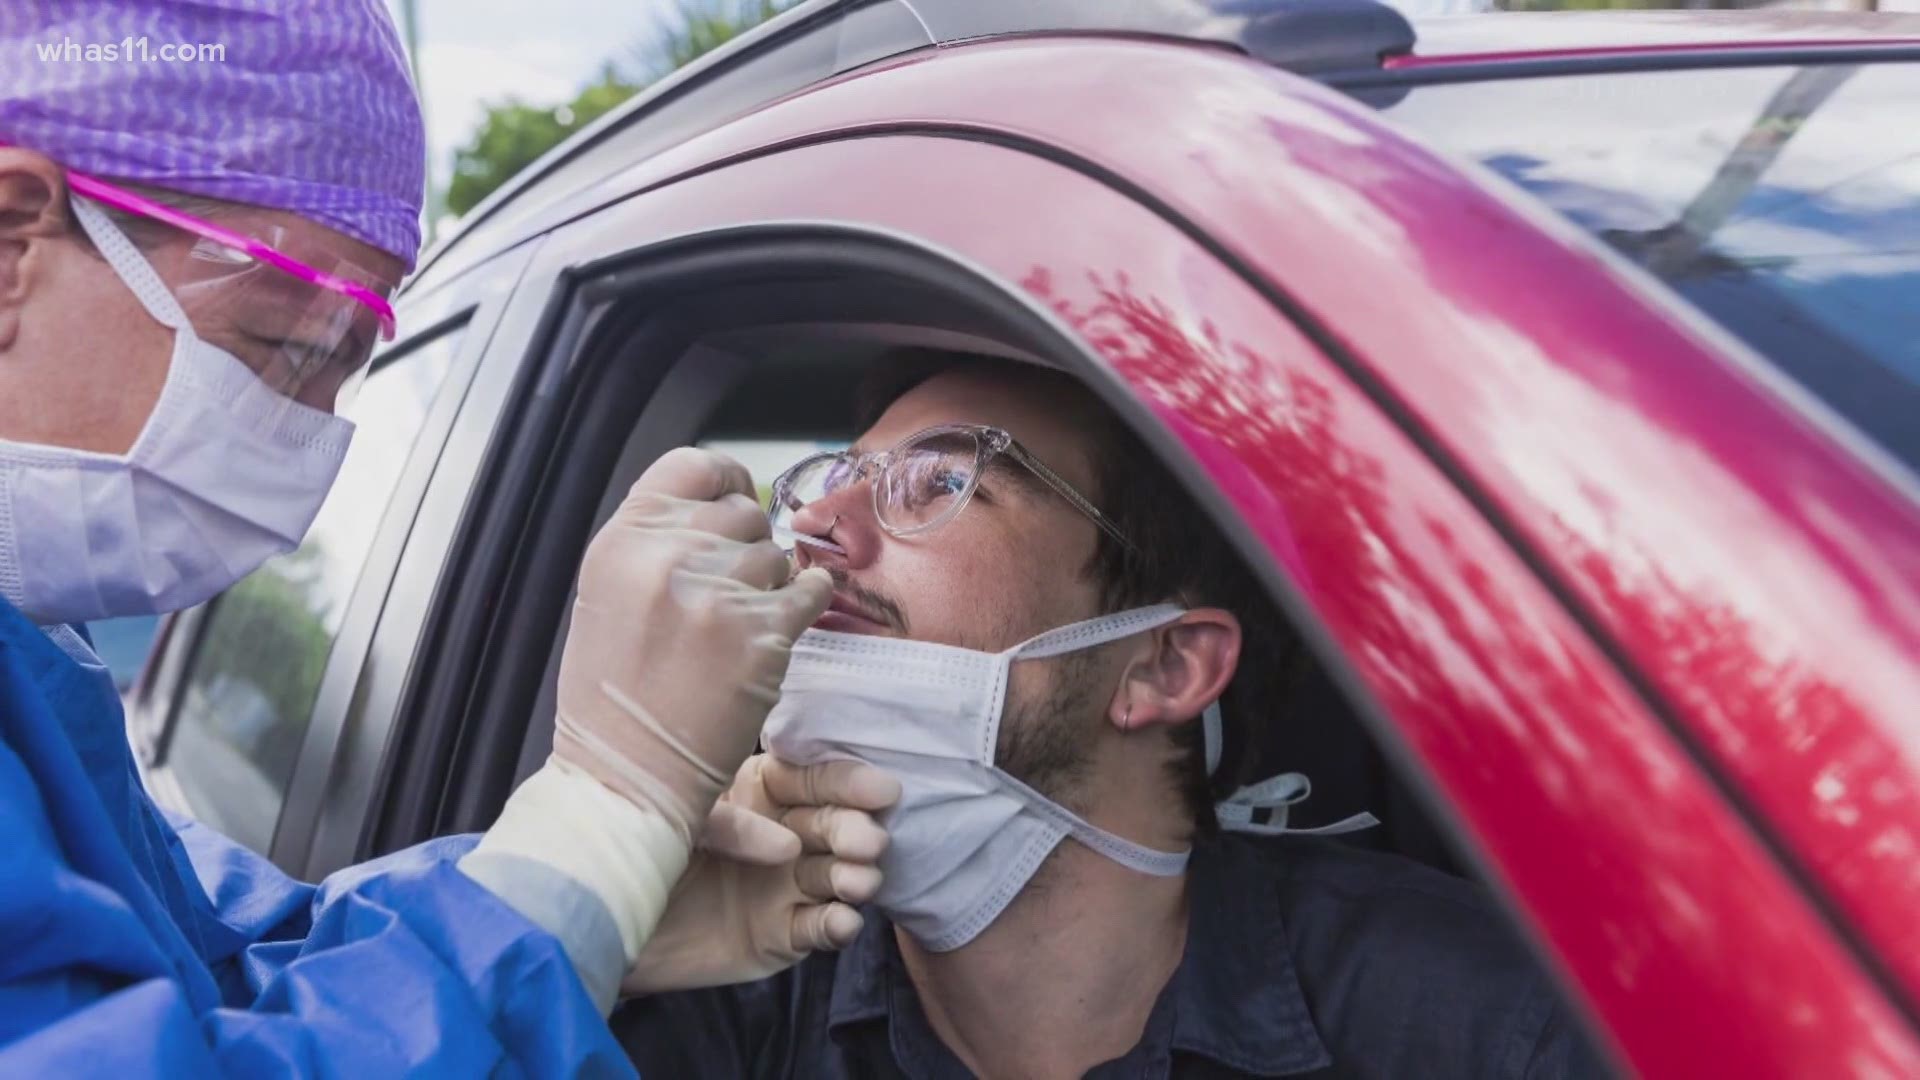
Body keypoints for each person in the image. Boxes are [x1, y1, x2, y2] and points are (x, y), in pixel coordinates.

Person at [0, 2, 896, 1074]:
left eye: (348, 362)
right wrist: (604, 821)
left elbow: (208, 954)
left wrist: (580, 897)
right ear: (14, 236)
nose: (311, 434)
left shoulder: (39, 665)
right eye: (287, 349)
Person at [613, 353, 1612, 1078]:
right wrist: (583, 933)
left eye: (942, 482)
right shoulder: (718, 996)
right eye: (837, 478)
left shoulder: (1478, 1027)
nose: (823, 525)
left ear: (1165, 665)